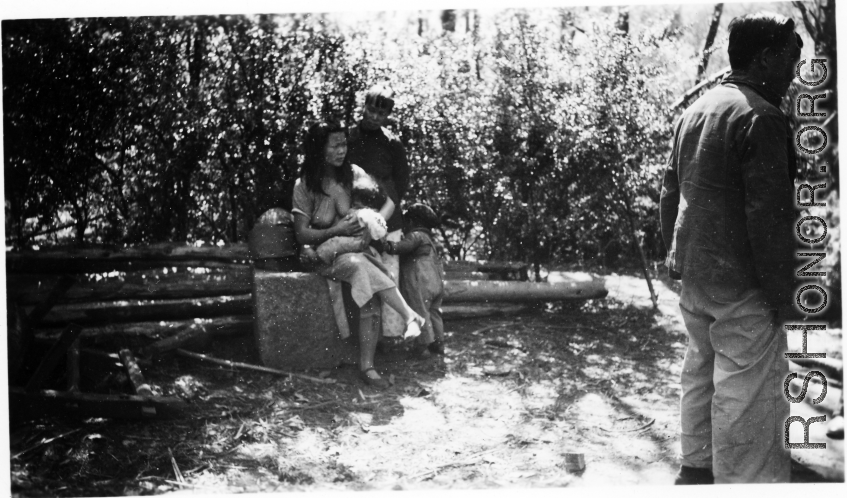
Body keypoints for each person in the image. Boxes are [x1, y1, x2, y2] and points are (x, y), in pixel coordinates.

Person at [659, 13, 802, 484]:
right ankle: (744, 483)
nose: (795, 71)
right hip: (743, 285)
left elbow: (669, 193)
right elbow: (770, 221)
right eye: (790, 58)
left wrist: (676, 258)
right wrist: (785, 297)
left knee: (700, 371)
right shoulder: (761, 116)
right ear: (765, 58)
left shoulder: (697, 109)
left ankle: (696, 471)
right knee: (748, 394)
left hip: (698, 277)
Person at [292, 120, 424, 388]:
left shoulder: (353, 174)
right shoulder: (304, 185)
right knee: (360, 267)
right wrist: (336, 229)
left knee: (362, 270)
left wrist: (372, 227)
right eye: (335, 145)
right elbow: (302, 235)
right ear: (319, 149)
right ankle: (409, 316)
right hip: (322, 257)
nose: (342, 150)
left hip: (355, 253)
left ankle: (368, 366)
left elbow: (389, 201)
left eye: (344, 144)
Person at [347, 84, 411, 341]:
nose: (374, 117)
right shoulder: (349, 136)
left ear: (387, 116)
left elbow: (401, 182)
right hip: (354, 215)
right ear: (364, 107)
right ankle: (360, 338)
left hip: (387, 215)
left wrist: (383, 214)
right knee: (359, 274)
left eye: (380, 114)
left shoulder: (392, 143)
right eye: (371, 110)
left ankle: (392, 336)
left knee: (388, 275)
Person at [385, 203, 446, 359]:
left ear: (412, 222)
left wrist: (387, 245)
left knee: (420, 312)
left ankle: (422, 347)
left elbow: (403, 247)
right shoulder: (430, 240)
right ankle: (439, 343)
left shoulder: (416, 235)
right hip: (436, 283)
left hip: (421, 283)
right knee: (434, 313)